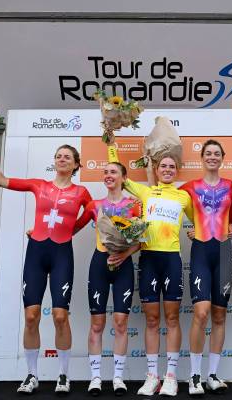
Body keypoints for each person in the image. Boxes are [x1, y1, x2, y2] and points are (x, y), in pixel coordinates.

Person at [0, 141, 91, 394]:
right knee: (31, 316)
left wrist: (71, 230)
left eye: (67, 157)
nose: (61, 159)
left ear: (76, 164)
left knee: (60, 316)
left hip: (61, 255)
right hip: (36, 253)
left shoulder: (81, 192)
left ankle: (63, 375)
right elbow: (0, 180)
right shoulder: (39, 185)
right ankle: (31, 374)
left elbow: (93, 213)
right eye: (58, 156)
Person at [107, 140, 192, 397]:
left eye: (171, 167)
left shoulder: (184, 195)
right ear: (156, 170)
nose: (167, 169)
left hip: (172, 261)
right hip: (148, 259)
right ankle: (153, 375)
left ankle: (171, 377)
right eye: (163, 166)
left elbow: (203, 221)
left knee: (173, 317)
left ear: (176, 171)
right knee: (152, 319)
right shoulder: (145, 192)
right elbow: (119, 174)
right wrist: (111, 145)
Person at [73, 162, 142, 396]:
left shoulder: (133, 205)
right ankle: (95, 378)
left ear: (123, 177)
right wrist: (42, 233)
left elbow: (141, 240)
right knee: (97, 323)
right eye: (106, 172)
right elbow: (73, 228)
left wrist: (124, 254)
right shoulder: (95, 205)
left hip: (123, 265)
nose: (108, 175)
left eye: (113, 172)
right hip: (99, 264)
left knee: (121, 322)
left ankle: (118, 378)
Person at [178, 140, 232, 395]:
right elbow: (167, 201)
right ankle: (194, 376)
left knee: (220, 315)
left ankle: (212, 374)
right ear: (202, 158)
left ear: (222, 158)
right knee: (201, 313)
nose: (212, 157)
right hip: (201, 251)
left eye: (216, 154)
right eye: (208, 153)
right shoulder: (190, 187)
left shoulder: (231, 185)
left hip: (224, 252)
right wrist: (191, 228)